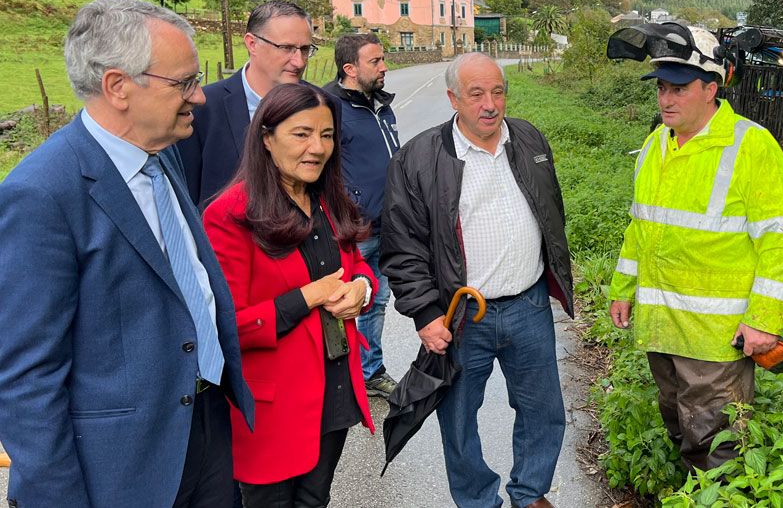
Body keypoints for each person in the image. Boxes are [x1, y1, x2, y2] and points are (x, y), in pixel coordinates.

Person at [0, 0, 254, 507]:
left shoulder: (162, 154)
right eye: (184, 82)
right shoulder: (42, 193)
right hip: (119, 468)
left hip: (203, 425)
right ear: (118, 86)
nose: (199, 97)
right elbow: (25, 378)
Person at [607, 23, 783, 471]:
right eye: (661, 87)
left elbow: (779, 241)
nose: (666, 99)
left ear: (711, 88)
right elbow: (641, 226)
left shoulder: (751, 146)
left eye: (678, 88)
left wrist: (764, 321)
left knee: (715, 442)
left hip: (717, 338)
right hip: (663, 325)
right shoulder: (656, 143)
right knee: (677, 420)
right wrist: (623, 287)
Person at [381, 52, 574, 508]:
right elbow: (401, 246)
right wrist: (427, 314)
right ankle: (477, 500)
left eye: (498, 91)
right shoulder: (419, 158)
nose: (490, 104)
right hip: (462, 314)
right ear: (452, 98)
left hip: (528, 306)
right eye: (476, 94)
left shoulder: (528, 139)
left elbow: (551, 212)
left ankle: (530, 493)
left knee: (543, 411)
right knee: (459, 417)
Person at [202, 83, 376, 507]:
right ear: (266, 136)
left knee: (316, 500)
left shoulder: (327, 201)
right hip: (274, 407)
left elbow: (354, 264)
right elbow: (225, 326)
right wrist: (307, 296)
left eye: (327, 134)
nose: (317, 148)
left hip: (334, 388)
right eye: (301, 134)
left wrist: (362, 288)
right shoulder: (231, 215)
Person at [179, 0, 319, 208]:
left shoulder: (323, 107)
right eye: (286, 48)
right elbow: (188, 196)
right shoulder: (204, 108)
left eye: (305, 49)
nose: (299, 62)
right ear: (252, 44)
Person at [322, 33, 400, 398]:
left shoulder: (382, 105)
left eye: (383, 59)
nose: (384, 67)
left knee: (377, 300)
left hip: (388, 223)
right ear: (350, 69)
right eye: (375, 62)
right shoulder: (329, 107)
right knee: (344, 302)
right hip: (354, 228)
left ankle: (369, 371)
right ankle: (339, 378)